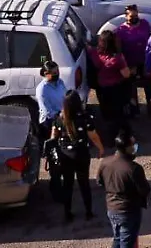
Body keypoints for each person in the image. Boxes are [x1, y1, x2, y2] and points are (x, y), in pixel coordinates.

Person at [47, 89, 102, 222]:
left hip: (65, 156)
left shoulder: (59, 119)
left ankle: (67, 213)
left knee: (68, 184)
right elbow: (93, 136)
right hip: (81, 154)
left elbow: (53, 137)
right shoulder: (85, 118)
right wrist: (101, 148)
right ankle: (88, 212)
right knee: (84, 184)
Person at [97, 130, 151, 248]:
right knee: (127, 242)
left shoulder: (105, 162)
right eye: (133, 144)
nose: (135, 147)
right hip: (128, 211)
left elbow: (100, 182)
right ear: (127, 148)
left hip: (112, 209)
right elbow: (145, 190)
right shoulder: (134, 169)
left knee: (118, 238)